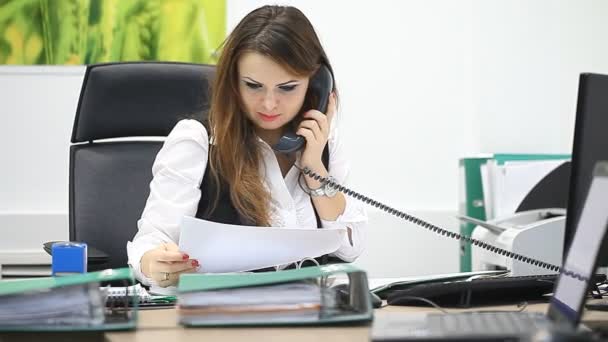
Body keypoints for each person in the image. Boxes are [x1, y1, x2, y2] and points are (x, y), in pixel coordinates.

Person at [127, 5, 367, 288]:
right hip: (220, 318)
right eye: (253, 86)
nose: (268, 104)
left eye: (287, 88)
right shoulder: (198, 139)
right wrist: (154, 263)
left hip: (307, 315)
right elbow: (150, 243)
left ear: (316, 84)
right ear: (233, 81)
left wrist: (314, 166)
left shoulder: (322, 143)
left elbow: (349, 249)